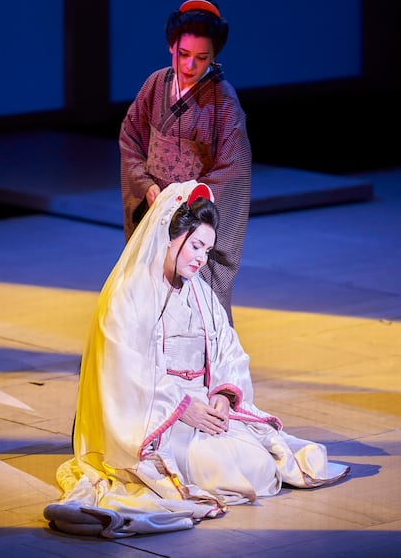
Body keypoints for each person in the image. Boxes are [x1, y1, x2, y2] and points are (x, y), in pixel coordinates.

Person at [44, 181, 350, 539]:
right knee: (235, 466)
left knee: (260, 464)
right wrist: (182, 407)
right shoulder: (129, 295)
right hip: (153, 416)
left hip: (201, 405)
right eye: (195, 246)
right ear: (168, 237)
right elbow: (124, 370)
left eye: (207, 249)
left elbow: (228, 348)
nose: (201, 258)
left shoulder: (199, 290)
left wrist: (222, 396)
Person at [118, 0, 252, 325]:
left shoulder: (224, 101)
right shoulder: (155, 85)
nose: (190, 66)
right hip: (155, 210)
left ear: (215, 56)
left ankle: (202, 371)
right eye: (183, 54)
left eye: (201, 58)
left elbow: (233, 168)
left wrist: (191, 202)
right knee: (143, 289)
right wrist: (146, 186)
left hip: (192, 217)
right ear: (170, 47)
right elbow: (131, 138)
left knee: (198, 302)